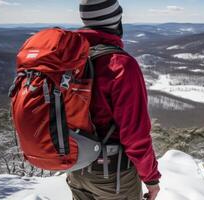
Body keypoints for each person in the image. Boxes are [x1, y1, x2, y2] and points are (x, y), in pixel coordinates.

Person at [66, 1, 161, 200]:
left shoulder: (68, 58)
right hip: (113, 175)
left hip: (76, 168)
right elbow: (135, 134)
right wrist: (151, 179)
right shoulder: (121, 65)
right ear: (115, 21)